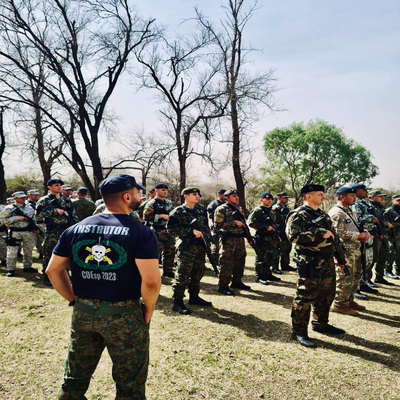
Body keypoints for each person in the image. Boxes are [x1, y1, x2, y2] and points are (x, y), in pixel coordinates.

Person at [46, 174, 161, 399]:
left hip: (83, 313)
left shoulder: (75, 229)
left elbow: (53, 270)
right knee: (130, 384)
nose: (140, 196)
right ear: (127, 197)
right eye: (137, 192)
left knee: (74, 379)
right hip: (124, 315)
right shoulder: (141, 233)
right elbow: (150, 281)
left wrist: (73, 299)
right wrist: (148, 308)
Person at [286, 184, 345, 348]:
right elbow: (293, 236)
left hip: (327, 260)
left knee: (327, 295)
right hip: (310, 262)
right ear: (308, 196)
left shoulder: (323, 215)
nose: (323, 197)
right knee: (304, 297)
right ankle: (298, 332)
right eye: (319, 194)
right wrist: (318, 233)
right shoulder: (298, 215)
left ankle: (320, 323)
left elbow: (333, 237)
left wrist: (340, 257)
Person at [167, 187, 213, 314]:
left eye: (198, 194)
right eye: (194, 194)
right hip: (187, 247)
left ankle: (194, 296)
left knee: (198, 272)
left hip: (200, 246)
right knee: (182, 274)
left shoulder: (201, 210)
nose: (198, 196)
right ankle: (178, 302)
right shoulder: (178, 211)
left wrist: (208, 244)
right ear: (185, 196)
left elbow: (205, 229)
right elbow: (170, 229)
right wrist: (190, 231)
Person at [328, 187, 370, 316]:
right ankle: (340, 304)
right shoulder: (336, 212)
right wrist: (357, 236)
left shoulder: (349, 211)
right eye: (352, 195)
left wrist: (365, 233)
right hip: (345, 251)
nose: (355, 197)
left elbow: (354, 227)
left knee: (355, 276)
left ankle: (349, 300)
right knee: (345, 277)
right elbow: (336, 233)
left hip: (355, 249)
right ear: (342, 197)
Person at [36, 179, 78, 286]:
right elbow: (38, 216)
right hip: (52, 231)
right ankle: (47, 277)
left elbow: (73, 215)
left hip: (66, 230)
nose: (59, 187)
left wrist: (76, 227)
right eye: (56, 185)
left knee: (67, 254)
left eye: (60, 185)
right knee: (49, 254)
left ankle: (66, 275)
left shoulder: (67, 200)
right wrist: (54, 211)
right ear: (49, 187)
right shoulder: (44, 200)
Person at [214, 189, 251, 295]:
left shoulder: (238, 208)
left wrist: (248, 237)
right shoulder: (221, 209)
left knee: (240, 261)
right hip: (228, 239)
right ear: (227, 198)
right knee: (227, 262)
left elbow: (243, 224)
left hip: (239, 239)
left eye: (237, 196)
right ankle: (223, 285)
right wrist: (233, 222)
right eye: (234, 196)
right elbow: (217, 226)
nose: (237, 197)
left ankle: (237, 281)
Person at [0, 191, 39, 276]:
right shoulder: (9, 208)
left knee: (28, 250)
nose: (23, 199)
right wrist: (17, 218)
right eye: (20, 197)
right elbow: (2, 220)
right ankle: (11, 269)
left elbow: (34, 219)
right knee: (12, 252)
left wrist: (35, 228)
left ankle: (27, 266)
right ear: (15, 198)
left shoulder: (29, 208)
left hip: (28, 232)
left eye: (24, 197)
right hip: (15, 232)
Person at [350, 183, 378, 296]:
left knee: (368, 261)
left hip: (368, 235)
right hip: (361, 236)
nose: (366, 192)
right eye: (364, 190)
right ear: (357, 190)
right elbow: (357, 218)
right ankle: (355, 288)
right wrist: (372, 218)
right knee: (360, 262)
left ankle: (362, 283)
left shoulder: (363, 203)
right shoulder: (355, 203)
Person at [247, 192, 282, 285]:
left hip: (271, 237)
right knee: (261, 258)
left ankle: (267, 273)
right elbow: (251, 223)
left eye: (271, 199)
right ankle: (260, 276)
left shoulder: (271, 211)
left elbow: (273, 224)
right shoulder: (258, 210)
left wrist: (277, 237)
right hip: (262, 237)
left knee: (270, 256)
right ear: (261, 200)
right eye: (267, 199)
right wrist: (265, 227)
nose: (269, 200)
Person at [143, 183, 175, 278]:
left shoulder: (169, 203)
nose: (165, 192)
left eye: (166, 190)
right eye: (162, 190)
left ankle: (168, 271)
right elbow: (146, 217)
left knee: (170, 252)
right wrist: (160, 216)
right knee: (156, 254)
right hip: (156, 231)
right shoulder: (151, 203)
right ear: (156, 191)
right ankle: (153, 273)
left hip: (168, 231)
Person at [367, 190, 394, 286]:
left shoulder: (381, 208)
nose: (382, 198)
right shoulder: (369, 207)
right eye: (379, 196)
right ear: (372, 197)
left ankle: (379, 276)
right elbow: (372, 221)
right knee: (373, 257)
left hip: (384, 234)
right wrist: (386, 224)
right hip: (375, 235)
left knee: (384, 255)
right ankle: (367, 279)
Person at [271, 192, 296, 273]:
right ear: (279, 198)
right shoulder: (275, 208)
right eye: (284, 197)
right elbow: (276, 218)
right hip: (279, 231)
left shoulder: (286, 208)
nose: (286, 199)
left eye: (287, 197)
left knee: (287, 248)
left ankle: (285, 265)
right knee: (277, 249)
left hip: (285, 230)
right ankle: (275, 267)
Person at [383, 194, 400, 279]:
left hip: (399, 234)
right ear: (392, 201)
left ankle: (398, 270)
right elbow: (385, 223)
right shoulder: (388, 211)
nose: (399, 202)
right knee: (391, 252)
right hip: (392, 234)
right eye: (397, 200)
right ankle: (388, 271)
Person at [207, 189, 226, 260]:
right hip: (216, 226)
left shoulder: (226, 204)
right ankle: (214, 259)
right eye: (224, 195)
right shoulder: (213, 205)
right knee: (215, 243)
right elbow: (210, 216)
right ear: (219, 195)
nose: (225, 197)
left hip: (225, 226)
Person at [27, 189, 45, 257]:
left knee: (41, 239)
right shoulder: (27, 205)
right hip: (32, 224)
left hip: (41, 223)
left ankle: (41, 253)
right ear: (29, 195)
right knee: (32, 241)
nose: (36, 196)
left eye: (37, 195)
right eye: (34, 195)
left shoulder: (39, 203)